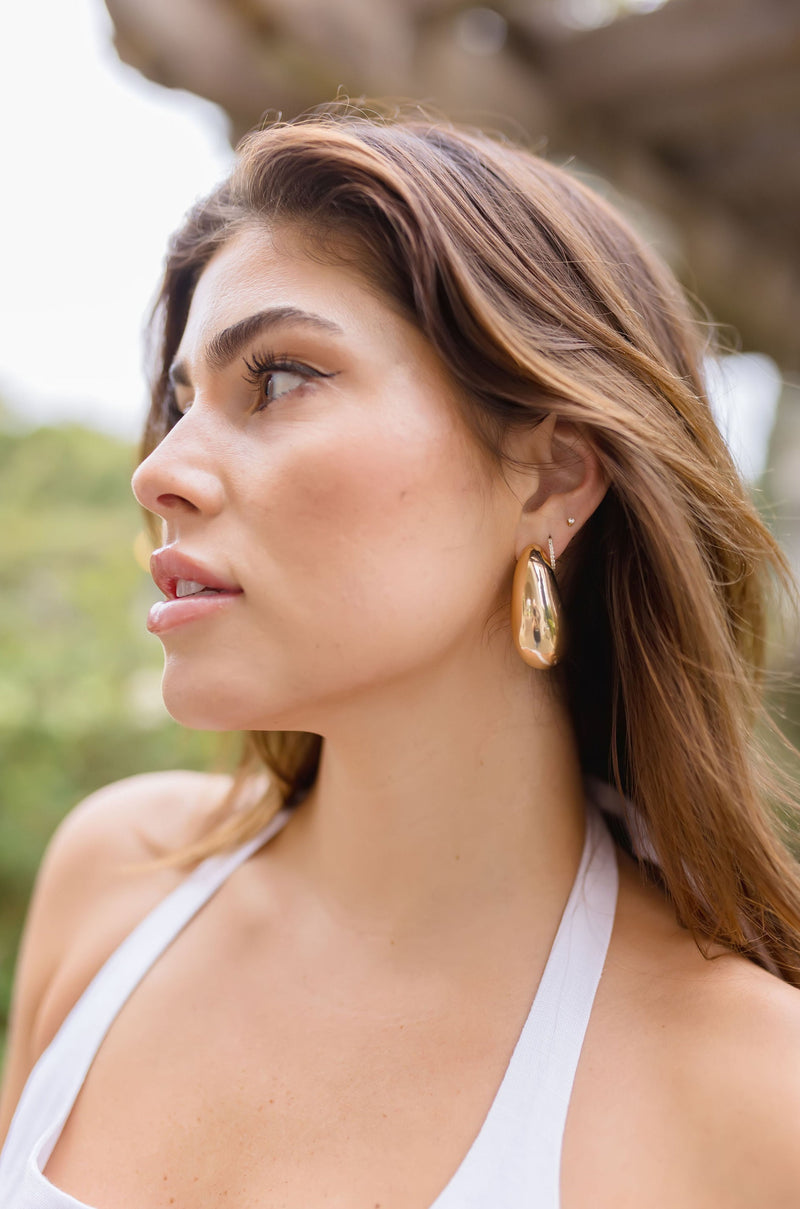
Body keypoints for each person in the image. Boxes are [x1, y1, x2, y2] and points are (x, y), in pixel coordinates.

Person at [1, 102, 800, 1209]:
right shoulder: (115, 881)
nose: (160, 471)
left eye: (279, 378)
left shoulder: (750, 1095)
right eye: (181, 403)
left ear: (552, 475)